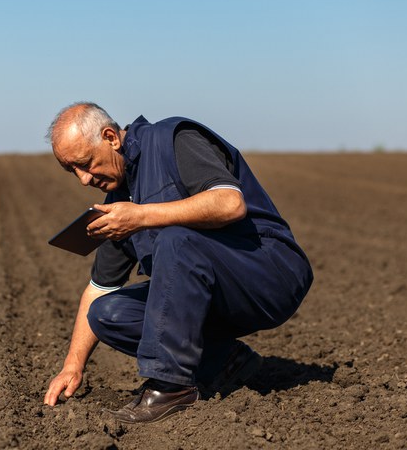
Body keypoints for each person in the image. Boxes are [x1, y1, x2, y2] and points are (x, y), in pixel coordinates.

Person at [43, 102, 313, 424]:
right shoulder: (119, 205)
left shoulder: (172, 139)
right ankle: (225, 361)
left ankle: (171, 387)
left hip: (268, 273)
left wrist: (142, 217)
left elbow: (230, 203)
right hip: (220, 300)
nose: (83, 179)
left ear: (111, 137)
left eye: (85, 163)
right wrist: (73, 366)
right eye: (71, 170)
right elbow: (98, 290)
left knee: (176, 239)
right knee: (106, 313)